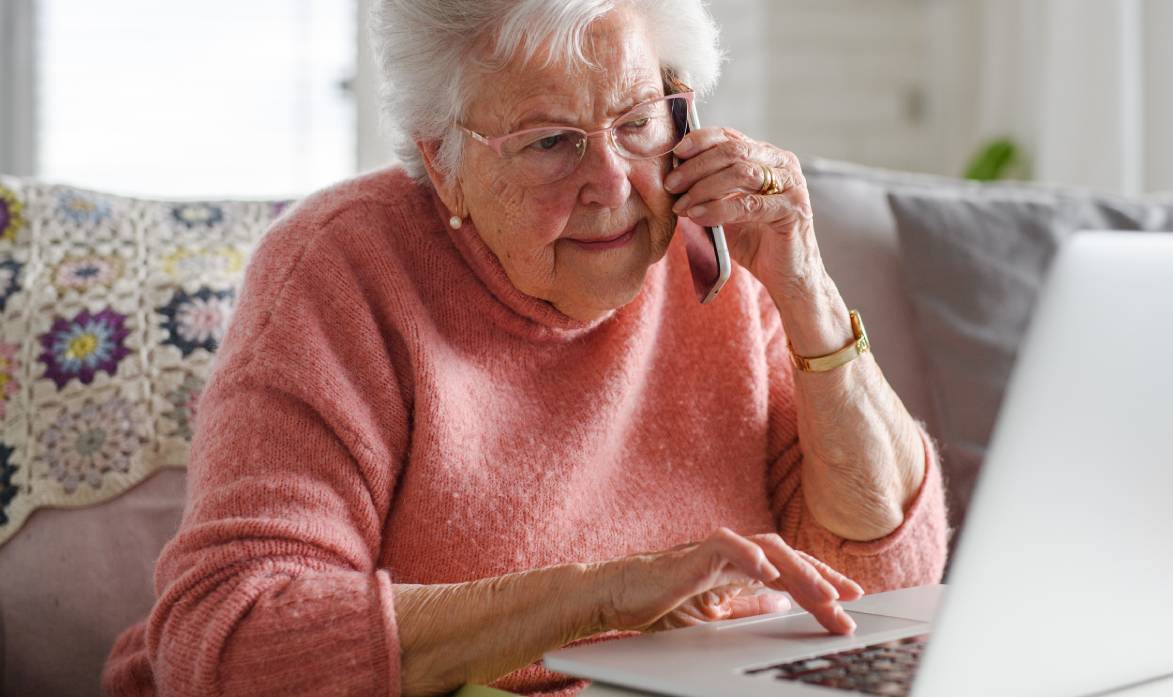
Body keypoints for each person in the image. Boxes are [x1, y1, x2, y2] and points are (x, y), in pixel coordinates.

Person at [104, 1, 947, 695]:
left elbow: (885, 579)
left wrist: (806, 290)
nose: (612, 183)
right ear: (445, 169)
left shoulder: (719, 257)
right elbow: (234, 637)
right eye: (551, 141)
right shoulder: (339, 272)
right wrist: (598, 594)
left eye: (637, 122)